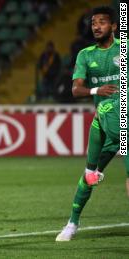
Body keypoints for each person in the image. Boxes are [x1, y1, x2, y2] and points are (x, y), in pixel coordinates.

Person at [56, 6, 120, 241]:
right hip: (101, 123)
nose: (96, 26)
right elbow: (76, 90)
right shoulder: (85, 54)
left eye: (102, 22)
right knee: (90, 175)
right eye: (93, 23)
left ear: (114, 26)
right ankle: (72, 223)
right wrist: (97, 90)